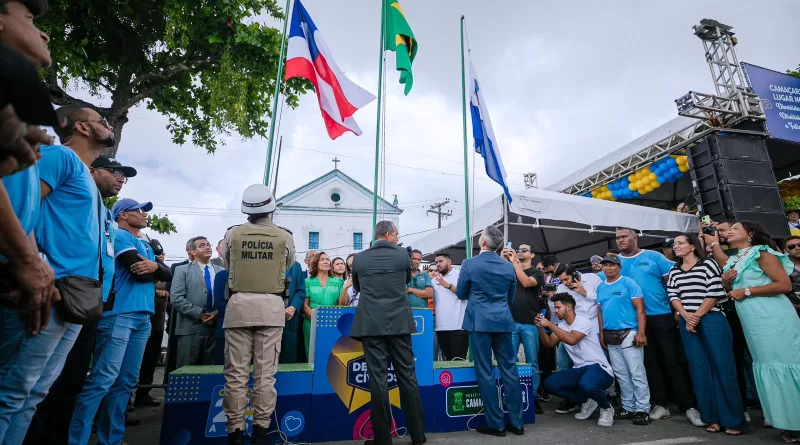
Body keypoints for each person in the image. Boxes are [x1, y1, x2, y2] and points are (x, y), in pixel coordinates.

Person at [0, 104, 114, 444]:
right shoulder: (60, 158)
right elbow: (22, 205)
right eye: (102, 120)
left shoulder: (87, 179)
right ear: (81, 127)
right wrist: (34, 263)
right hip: (46, 291)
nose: (108, 126)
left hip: (74, 299)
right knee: (11, 390)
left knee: (33, 395)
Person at [23, 156, 134, 445]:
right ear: (92, 171)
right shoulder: (70, 186)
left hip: (90, 303)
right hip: (62, 293)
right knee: (39, 385)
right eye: (114, 171)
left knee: (71, 381)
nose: (120, 178)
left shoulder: (105, 214)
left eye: (124, 174)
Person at [68, 199, 172, 445]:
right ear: (123, 215)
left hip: (142, 319)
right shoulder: (119, 235)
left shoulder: (144, 243)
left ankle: (112, 439)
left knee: (125, 382)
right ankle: (76, 439)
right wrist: (156, 268)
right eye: (139, 210)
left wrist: (155, 267)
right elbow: (135, 268)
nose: (144, 214)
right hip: (119, 315)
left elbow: (168, 274)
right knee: (103, 378)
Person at [221, 184, 295, 445]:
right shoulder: (285, 236)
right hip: (271, 308)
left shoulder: (232, 234)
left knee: (236, 375)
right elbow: (289, 264)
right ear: (271, 207)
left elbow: (226, 262)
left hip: (239, 306)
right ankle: (261, 432)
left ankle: (235, 432)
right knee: (266, 376)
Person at [721, 221, 800, 442]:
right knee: (768, 365)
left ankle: (796, 422)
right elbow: (734, 290)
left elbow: (784, 284)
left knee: (786, 363)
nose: (729, 232)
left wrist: (746, 290)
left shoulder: (761, 253)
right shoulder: (735, 258)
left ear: (750, 234)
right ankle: (786, 421)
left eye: (734, 229)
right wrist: (726, 282)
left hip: (773, 317)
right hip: (753, 320)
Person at [616, 228, 702, 426]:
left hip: (661, 316)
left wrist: (677, 310)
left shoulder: (654, 256)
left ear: (635, 238)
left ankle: (688, 406)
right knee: (650, 364)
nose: (620, 240)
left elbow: (672, 283)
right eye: (617, 238)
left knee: (673, 360)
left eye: (624, 236)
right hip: (634, 322)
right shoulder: (616, 263)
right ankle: (661, 405)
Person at [350, 221, 426, 445]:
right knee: (408, 378)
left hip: (372, 324)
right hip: (399, 324)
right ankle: (418, 436)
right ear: (388, 235)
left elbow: (358, 286)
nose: (398, 238)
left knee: (378, 381)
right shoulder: (403, 255)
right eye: (397, 234)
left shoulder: (360, 258)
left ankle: (382, 439)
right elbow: (405, 281)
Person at [667, 234, 746, 436]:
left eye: (680, 243)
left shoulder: (708, 264)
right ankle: (712, 418)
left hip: (711, 320)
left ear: (693, 246)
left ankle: (732, 420)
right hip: (688, 321)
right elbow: (673, 295)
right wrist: (686, 316)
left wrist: (697, 316)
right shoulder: (674, 270)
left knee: (723, 367)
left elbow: (715, 291)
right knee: (699, 370)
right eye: (675, 244)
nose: (676, 246)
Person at [456, 226, 524, 437]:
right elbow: (511, 297)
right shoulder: (507, 266)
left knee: (484, 371)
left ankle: (496, 424)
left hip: (479, 322)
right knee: (510, 370)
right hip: (503, 320)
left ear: (483, 243)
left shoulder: (469, 263)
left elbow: (460, 293)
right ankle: (517, 423)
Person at [537, 293, 615, 427]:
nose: (555, 311)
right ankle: (587, 400)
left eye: (558, 307)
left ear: (568, 307)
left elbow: (572, 340)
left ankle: (606, 408)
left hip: (599, 368)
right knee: (550, 384)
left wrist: (549, 324)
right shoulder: (561, 326)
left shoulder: (583, 321)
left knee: (587, 384)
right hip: (579, 370)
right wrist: (539, 327)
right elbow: (549, 344)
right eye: (554, 308)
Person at [701, 219, 751, 408]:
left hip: (747, 308)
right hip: (725, 311)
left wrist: (714, 243)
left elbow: (727, 266)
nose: (721, 234)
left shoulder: (739, 253)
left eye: (723, 230)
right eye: (717, 231)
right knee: (734, 358)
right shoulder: (710, 252)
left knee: (752, 357)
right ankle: (742, 404)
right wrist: (704, 241)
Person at [596, 254, 650, 425]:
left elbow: (640, 309)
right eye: (605, 265)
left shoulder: (629, 283)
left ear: (619, 267)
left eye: (612, 265)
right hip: (610, 335)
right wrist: (601, 333)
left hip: (629, 333)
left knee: (636, 372)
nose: (608, 268)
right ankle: (628, 407)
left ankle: (643, 409)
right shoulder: (600, 287)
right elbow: (599, 311)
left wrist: (641, 332)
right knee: (621, 374)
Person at [170, 236, 225, 368]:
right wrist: (199, 314)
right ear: (192, 252)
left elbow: (225, 298)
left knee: (211, 370)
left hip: (214, 326)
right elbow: (176, 298)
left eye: (208, 244)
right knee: (186, 368)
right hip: (189, 327)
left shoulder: (221, 271)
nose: (207, 247)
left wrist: (216, 314)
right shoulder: (182, 270)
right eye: (202, 245)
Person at [502, 243, 544, 414]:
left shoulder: (537, 273)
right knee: (509, 362)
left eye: (524, 250)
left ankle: (533, 396)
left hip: (529, 324)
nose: (520, 252)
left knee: (532, 361)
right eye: (518, 250)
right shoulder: (511, 268)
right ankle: (510, 395)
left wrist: (514, 264)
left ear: (532, 255)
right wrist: (503, 259)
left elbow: (526, 283)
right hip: (511, 322)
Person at [302, 251, 344, 357]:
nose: (326, 261)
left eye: (327, 259)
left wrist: (330, 320)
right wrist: (317, 319)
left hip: (333, 322)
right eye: (322, 259)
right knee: (313, 354)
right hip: (311, 323)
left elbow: (342, 303)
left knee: (332, 354)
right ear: (316, 263)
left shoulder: (338, 282)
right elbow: (305, 305)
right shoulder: (307, 281)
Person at [431, 252, 468, 360]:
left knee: (458, 362)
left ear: (449, 261)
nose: (438, 264)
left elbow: (465, 294)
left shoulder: (460, 275)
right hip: (441, 328)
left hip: (459, 327)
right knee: (447, 362)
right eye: (436, 262)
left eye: (441, 261)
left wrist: (447, 285)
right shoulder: (433, 281)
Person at [280, 260, 306, 364]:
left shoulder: (295, 266)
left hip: (289, 319)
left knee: (288, 356)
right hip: (267, 318)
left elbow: (300, 291)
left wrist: (293, 307)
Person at [782, 236, 800, 314]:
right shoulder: (781, 268)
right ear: (786, 251)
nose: (797, 248)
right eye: (791, 246)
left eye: (799, 245)